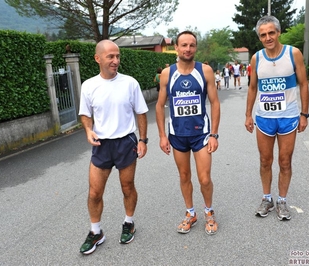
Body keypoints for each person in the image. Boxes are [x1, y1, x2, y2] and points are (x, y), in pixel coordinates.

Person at [78, 40, 149, 254]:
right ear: (98, 58)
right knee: (94, 193)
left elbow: (141, 112)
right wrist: (88, 130)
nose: (115, 61)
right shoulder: (89, 85)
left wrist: (143, 140)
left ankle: (129, 222)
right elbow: (85, 114)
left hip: (126, 142)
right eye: (110, 56)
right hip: (102, 145)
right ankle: (95, 232)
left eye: (117, 56)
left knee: (127, 187)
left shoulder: (130, 83)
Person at [244, 16, 309, 221]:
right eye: (263, 34)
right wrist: (248, 114)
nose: (268, 37)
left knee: (285, 161)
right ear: (260, 37)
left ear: (278, 32)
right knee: (265, 160)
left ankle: (282, 201)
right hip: (264, 117)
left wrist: (304, 114)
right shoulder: (257, 58)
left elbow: (304, 84)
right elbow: (253, 87)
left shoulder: (293, 53)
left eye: (271, 32)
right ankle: (267, 198)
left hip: (288, 116)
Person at [156, 30, 221, 235]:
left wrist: (214, 134)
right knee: (184, 176)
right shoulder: (168, 73)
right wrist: (162, 136)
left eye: (191, 45)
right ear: (176, 47)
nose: (187, 49)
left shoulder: (206, 71)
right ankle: (190, 213)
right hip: (177, 135)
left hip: (201, 134)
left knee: (204, 179)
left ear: (196, 48)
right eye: (183, 45)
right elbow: (159, 106)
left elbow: (215, 103)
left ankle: (208, 212)